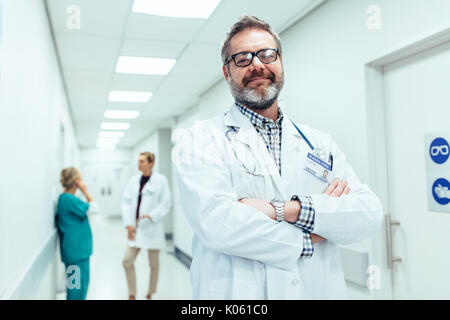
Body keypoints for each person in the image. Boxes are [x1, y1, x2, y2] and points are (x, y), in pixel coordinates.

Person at [173, 15, 383, 299]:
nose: (257, 64)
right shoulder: (199, 140)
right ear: (226, 72)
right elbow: (218, 223)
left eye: (267, 54)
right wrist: (310, 235)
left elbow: (367, 213)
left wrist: (287, 210)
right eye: (243, 58)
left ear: (280, 61)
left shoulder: (320, 143)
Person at [121, 152, 172, 300]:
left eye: (142, 161)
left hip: (152, 226)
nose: (139, 164)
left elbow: (166, 203)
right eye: (138, 161)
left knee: (154, 264)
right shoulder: (133, 180)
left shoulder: (160, 180)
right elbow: (126, 202)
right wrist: (128, 224)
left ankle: (151, 293)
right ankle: (132, 293)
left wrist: (152, 215)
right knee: (126, 261)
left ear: (151, 163)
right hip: (135, 227)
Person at [56, 167, 99, 300]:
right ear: (76, 181)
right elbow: (95, 209)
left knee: (80, 288)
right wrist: (85, 191)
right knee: (75, 290)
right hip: (75, 253)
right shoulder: (68, 199)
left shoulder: (69, 199)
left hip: (78, 252)